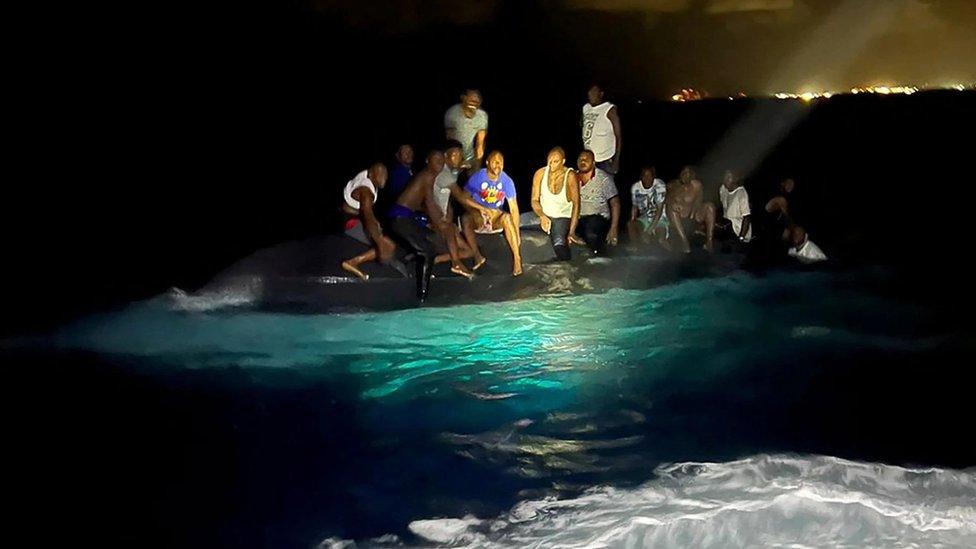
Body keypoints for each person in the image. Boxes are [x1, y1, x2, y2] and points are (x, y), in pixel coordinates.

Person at [460, 150, 523, 276]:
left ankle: (517, 259)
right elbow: (463, 198)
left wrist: (517, 233)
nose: (498, 165)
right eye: (495, 162)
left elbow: (514, 208)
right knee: (465, 218)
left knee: (507, 217)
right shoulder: (478, 177)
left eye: (501, 163)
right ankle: (477, 256)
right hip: (478, 216)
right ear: (488, 163)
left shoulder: (507, 181)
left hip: (495, 218)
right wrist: (481, 209)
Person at [430, 140, 486, 271]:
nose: (458, 159)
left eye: (460, 156)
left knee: (469, 252)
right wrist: (479, 211)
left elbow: (455, 173)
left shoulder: (449, 171)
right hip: (436, 222)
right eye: (454, 155)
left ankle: (435, 260)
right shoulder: (444, 174)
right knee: (464, 248)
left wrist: (461, 167)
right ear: (445, 156)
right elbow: (460, 197)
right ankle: (440, 261)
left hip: (444, 219)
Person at [340, 164, 396, 280]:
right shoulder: (366, 192)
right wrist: (379, 241)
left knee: (381, 233)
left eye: (385, 176)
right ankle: (352, 262)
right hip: (351, 222)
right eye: (379, 175)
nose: (383, 179)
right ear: (371, 175)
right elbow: (368, 217)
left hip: (353, 215)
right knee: (386, 245)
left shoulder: (368, 176)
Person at [531, 147, 581, 261]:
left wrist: (571, 232)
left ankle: (567, 267)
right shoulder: (540, 173)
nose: (551, 165)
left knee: (559, 243)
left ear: (563, 161)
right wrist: (542, 215)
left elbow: (576, 205)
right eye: (549, 161)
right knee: (515, 223)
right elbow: (534, 200)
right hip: (543, 214)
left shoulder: (570, 176)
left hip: (562, 217)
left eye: (555, 162)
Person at [575, 150, 621, 254]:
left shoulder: (603, 178)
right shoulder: (572, 177)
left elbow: (615, 203)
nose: (583, 161)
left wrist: (614, 228)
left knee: (591, 231)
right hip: (578, 218)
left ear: (593, 162)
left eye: (587, 159)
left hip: (598, 218)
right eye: (581, 159)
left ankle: (600, 257)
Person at [666, 166, 716, 253]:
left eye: (688, 173)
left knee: (710, 206)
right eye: (684, 173)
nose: (686, 176)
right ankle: (684, 241)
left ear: (693, 175)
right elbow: (666, 199)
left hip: (693, 215)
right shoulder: (672, 185)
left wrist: (692, 214)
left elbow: (699, 200)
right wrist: (673, 202)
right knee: (671, 207)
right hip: (679, 218)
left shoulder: (697, 185)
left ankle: (709, 242)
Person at [581, 83, 622, 175]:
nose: (591, 94)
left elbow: (618, 136)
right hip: (588, 158)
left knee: (604, 187)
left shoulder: (609, 109)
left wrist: (616, 160)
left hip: (605, 160)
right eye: (590, 92)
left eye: (594, 91)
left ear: (601, 94)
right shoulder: (586, 108)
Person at [444, 89, 488, 171]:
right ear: (463, 98)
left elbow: (480, 145)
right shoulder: (452, 113)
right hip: (453, 156)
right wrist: (456, 162)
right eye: (471, 101)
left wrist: (477, 165)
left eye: (477, 103)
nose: (474, 105)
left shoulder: (482, 116)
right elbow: (449, 141)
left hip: (471, 157)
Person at [628, 166, 669, 247]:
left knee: (661, 240)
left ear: (654, 176)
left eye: (650, 176)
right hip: (644, 218)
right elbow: (634, 207)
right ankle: (635, 248)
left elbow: (659, 210)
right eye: (644, 176)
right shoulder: (635, 187)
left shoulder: (659, 185)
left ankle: (673, 254)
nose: (647, 178)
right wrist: (633, 220)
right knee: (631, 224)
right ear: (641, 177)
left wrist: (650, 230)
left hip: (660, 218)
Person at [718, 170, 753, 242]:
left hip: (737, 228)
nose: (725, 180)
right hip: (726, 223)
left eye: (728, 177)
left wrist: (741, 237)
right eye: (725, 177)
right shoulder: (723, 189)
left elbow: (747, 218)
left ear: (735, 179)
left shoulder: (741, 194)